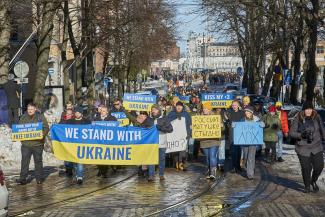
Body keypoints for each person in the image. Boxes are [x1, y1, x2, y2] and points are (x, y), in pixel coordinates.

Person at [289, 102, 325, 193]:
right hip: (302, 148)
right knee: (306, 168)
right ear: (303, 110)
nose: (308, 111)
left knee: (319, 166)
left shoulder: (317, 117)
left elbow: (322, 129)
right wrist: (301, 135)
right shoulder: (298, 118)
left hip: (316, 146)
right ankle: (307, 186)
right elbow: (291, 133)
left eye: (310, 109)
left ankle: (313, 181)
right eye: (306, 109)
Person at [16, 103, 49, 185]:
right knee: (24, 161)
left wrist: (42, 134)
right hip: (26, 145)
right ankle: (23, 178)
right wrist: (16, 135)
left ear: (35, 109)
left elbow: (46, 128)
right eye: (28, 109)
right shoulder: (23, 117)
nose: (30, 110)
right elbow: (19, 128)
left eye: (31, 109)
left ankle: (39, 178)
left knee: (38, 161)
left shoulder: (40, 117)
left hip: (37, 144)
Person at [148, 104, 173, 182]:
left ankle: (161, 174)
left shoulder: (164, 118)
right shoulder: (149, 119)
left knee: (161, 159)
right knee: (151, 159)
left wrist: (160, 127)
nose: (153, 111)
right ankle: (151, 175)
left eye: (154, 110)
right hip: (151, 142)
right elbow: (143, 128)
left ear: (158, 110)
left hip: (162, 142)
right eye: (152, 110)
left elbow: (170, 129)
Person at [66, 106, 91, 184]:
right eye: (76, 112)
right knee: (69, 162)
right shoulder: (70, 121)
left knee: (80, 161)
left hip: (82, 145)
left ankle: (79, 176)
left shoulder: (87, 121)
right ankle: (70, 169)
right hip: (72, 144)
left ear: (81, 113)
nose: (77, 114)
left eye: (78, 112)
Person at [199, 102, 223, 179]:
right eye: (203, 108)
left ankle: (213, 172)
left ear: (210, 109)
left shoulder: (216, 117)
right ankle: (209, 170)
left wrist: (221, 126)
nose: (204, 110)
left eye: (206, 108)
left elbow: (223, 128)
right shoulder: (199, 118)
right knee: (208, 157)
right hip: (204, 141)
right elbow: (197, 128)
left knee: (212, 156)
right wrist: (193, 127)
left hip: (214, 140)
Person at [93, 106, 118, 178]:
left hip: (108, 141)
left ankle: (104, 171)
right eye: (101, 111)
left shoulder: (112, 119)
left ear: (107, 112)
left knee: (106, 156)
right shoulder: (96, 119)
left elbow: (115, 128)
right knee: (98, 156)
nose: (102, 112)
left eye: (104, 111)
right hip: (99, 141)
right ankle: (101, 170)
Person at [240, 106, 263, 180]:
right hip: (244, 142)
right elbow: (238, 128)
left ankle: (250, 174)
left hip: (253, 142)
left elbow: (261, 127)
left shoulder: (257, 120)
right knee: (246, 157)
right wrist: (234, 126)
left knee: (251, 157)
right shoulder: (242, 120)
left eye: (248, 111)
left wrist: (262, 125)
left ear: (251, 112)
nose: (246, 113)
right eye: (245, 111)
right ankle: (248, 168)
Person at [167, 101, 192, 171]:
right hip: (174, 135)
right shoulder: (171, 113)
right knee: (175, 149)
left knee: (183, 149)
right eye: (177, 106)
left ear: (182, 107)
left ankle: (182, 162)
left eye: (180, 106)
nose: (179, 107)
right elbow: (168, 121)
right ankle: (177, 162)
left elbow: (189, 124)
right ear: (176, 106)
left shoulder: (186, 114)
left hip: (184, 135)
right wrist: (175, 117)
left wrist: (189, 133)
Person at [224, 100, 245, 173]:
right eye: (233, 105)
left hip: (240, 133)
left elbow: (245, 122)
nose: (234, 106)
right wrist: (226, 119)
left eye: (235, 105)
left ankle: (238, 166)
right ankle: (233, 166)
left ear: (238, 105)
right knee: (233, 151)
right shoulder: (229, 112)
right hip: (232, 133)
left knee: (239, 151)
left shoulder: (242, 113)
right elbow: (227, 122)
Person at [59, 108, 74, 177]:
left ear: (72, 114)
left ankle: (72, 169)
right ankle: (68, 169)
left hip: (73, 143)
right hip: (65, 143)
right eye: (67, 114)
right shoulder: (62, 121)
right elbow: (58, 130)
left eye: (70, 114)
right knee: (66, 157)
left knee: (72, 157)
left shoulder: (74, 121)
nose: (68, 115)